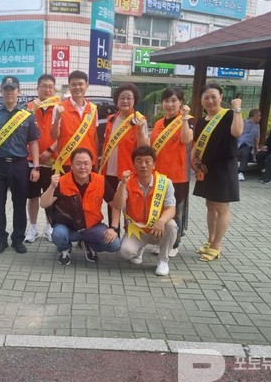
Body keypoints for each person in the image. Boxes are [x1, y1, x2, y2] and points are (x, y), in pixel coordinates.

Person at [0, 76, 40, 254]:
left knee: (19, 203)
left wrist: (35, 166)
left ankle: (18, 239)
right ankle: (0, 239)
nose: (9, 92)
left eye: (12, 89)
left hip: (20, 164)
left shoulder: (27, 115)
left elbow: (34, 142)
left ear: (18, 92)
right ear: (1, 92)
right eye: (6, 89)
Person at [40, 148, 121, 266]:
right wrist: (52, 187)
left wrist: (113, 228)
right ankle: (65, 249)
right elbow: (43, 204)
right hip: (69, 227)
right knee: (58, 234)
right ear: (71, 165)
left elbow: (115, 205)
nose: (82, 167)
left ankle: (89, 244)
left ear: (91, 165)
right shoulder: (62, 181)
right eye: (78, 163)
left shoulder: (100, 181)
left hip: (92, 227)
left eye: (86, 163)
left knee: (115, 245)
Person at [191, 83, 243, 262]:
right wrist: (193, 158)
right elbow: (197, 143)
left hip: (224, 168)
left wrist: (237, 109)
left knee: (221, 208)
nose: (210, 100)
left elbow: (237, 132)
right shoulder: (201, 120)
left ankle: (217, 245)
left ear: (221, 97)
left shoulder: (229, 115)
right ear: (201, 101)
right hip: (207, 169)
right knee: (210, 206)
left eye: (214, 96)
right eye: (206, 97)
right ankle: (210, 240)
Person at [113, 146, 177, 276]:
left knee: (171, 225)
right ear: (133, 164)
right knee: (125, 252)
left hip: (157, 228)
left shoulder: (165, 182)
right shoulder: (127, 182)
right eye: (139, 161)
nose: (143, 165)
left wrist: (161, 220)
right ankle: (139, 249)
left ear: (154, 164)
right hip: (137, 230)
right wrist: (122, 185)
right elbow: (118, 205)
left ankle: (163, 260)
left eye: (147, 161)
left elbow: (171, 208)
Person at [149, 87, 193, 258]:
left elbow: (186, 139)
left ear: (181, 102)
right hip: (159, 173)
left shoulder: (188, 120)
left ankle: (175, 242)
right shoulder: (159, 123)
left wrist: (183, 118)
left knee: (177, 209)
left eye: (174, 100)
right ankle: (161, 241)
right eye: (166, 101)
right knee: (159, 207)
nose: (169, 104)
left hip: (178, 173)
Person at [99, 82, 149, 224]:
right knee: (112, 205)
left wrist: (139, 131)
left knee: (130, 207)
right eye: (122, 98)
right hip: (109, 172)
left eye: (129, 98)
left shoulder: (140, 120)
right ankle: (114, 233)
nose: (125, 101)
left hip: (128, 172)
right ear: (117, 100)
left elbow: (144, 150)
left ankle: (131, 237)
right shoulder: (111, 119)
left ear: (134, 101)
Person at [24, 74, 59, 243]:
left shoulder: (59, 108)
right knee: (32, 196)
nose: (47, 89)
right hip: (31, 160)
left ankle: (49, 227)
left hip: (53, 160)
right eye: (44, 86)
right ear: (37, 88)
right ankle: (32, 228)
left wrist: (50, 150)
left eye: (50, 86)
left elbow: (64, 135)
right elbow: (22, 132)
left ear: (54, 89)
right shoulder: (29, 107)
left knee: (50, 195)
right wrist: (33, 111)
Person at [50, 70, 98, 173]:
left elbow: (95, 138)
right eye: (74, 84)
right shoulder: (59, 108)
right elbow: (54, 136)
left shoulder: (93, 109)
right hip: (67, 162)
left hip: (88, 163)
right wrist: (57, 118)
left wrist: (96, 160)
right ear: (69, 86)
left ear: (87, 85)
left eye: (80, 84)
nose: (77, 87)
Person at [237, 109, 261, 181]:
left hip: (247, 145)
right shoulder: (243, 122)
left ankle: (241, 172)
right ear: (254, 115)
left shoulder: (257, 126)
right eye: (259, 115)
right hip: (237, 143)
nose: (260, 117)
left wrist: (256, 148)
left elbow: (257, 137)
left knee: (245, 153)